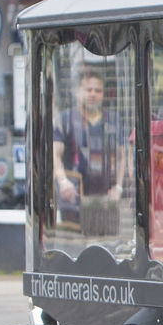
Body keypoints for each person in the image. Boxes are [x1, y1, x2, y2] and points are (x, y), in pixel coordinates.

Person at [53, 67, 128, 235]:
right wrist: (63, 182)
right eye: (88, 90)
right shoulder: (64, 120)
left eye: (98, 90)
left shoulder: (114, 120)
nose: (93, 94)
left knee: (107, 249)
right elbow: (55, 155)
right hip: (73, 199)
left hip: (106, 200)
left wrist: (119, 187)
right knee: (74, 253)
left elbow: (123, 156)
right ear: (77, 91)